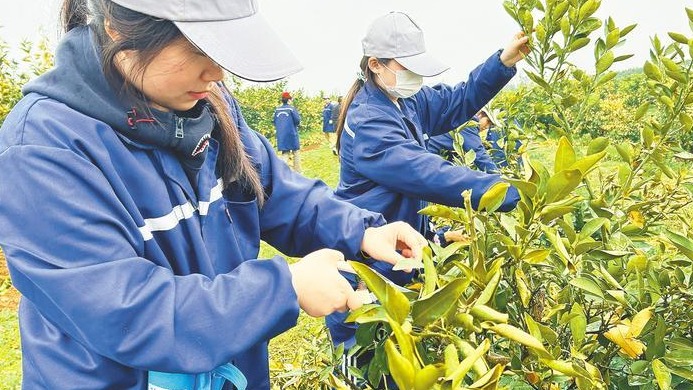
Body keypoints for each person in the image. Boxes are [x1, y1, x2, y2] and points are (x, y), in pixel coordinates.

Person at [0, 1, 429, 389]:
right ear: (117, 28)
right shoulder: (45, 148)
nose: (217, 72)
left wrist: (362, 231)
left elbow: (277, 194)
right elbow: (126, 312)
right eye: (199, 49)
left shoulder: (207, 106)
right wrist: (284, 289)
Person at [329, 11, 529, 386]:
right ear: (376, 65)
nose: (416, 78)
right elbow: (426, 174)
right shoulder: (370, 119)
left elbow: (457, 101)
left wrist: (502, 62)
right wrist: (506, 190)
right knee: (370, 368)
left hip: (399, 256)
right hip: (368, 269)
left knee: (404, 362)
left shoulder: (404, 102)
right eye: (408, 67)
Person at [273, 91, 302, 173]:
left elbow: (274, 121)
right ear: (289, 100)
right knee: (295, 152)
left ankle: (283, 172)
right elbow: (297, 120)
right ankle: (298, 171)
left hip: (281, 135)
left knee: (285, 153)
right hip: (292, 134)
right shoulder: (291, 109)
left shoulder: (277, 110)